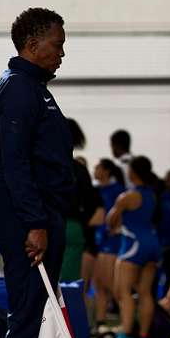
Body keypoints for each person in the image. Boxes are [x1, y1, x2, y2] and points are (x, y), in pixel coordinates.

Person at [0, 8, 74, 338]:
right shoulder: (19, 89)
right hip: (20, 208)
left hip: (33, 206)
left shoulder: (33, 88)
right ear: (33, 45)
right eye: (58, 45)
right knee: (28, 304)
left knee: (33, 304)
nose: (63, 54)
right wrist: (35, 222)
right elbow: (16, 162)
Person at [106, 156, 162, 338]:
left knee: (123, 291)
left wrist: (116, 224)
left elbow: (110, 220)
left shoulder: (127, 196)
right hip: (152, 243)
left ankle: (126, 333)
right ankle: (144, 337)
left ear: (132, 172)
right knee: (145, 292)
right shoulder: (151, 194)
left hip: (133, 245)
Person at [63, 119, 103, 288]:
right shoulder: (78, 170)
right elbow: (91, 203)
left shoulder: (41, 167)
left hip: (45, 224)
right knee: (68, 284)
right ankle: (66, 314)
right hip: (73, 226)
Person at [92, 158, 127, 338]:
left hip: (112, 242)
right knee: (99, 284)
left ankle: (127, 323)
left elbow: (121, 214)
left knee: (112, 284)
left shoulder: (117, 190)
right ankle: (100, 323)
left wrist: (114, 228)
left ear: (106, 171)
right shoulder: (95, 190)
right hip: (97, 240)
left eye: (97, 167)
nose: (94, 170)